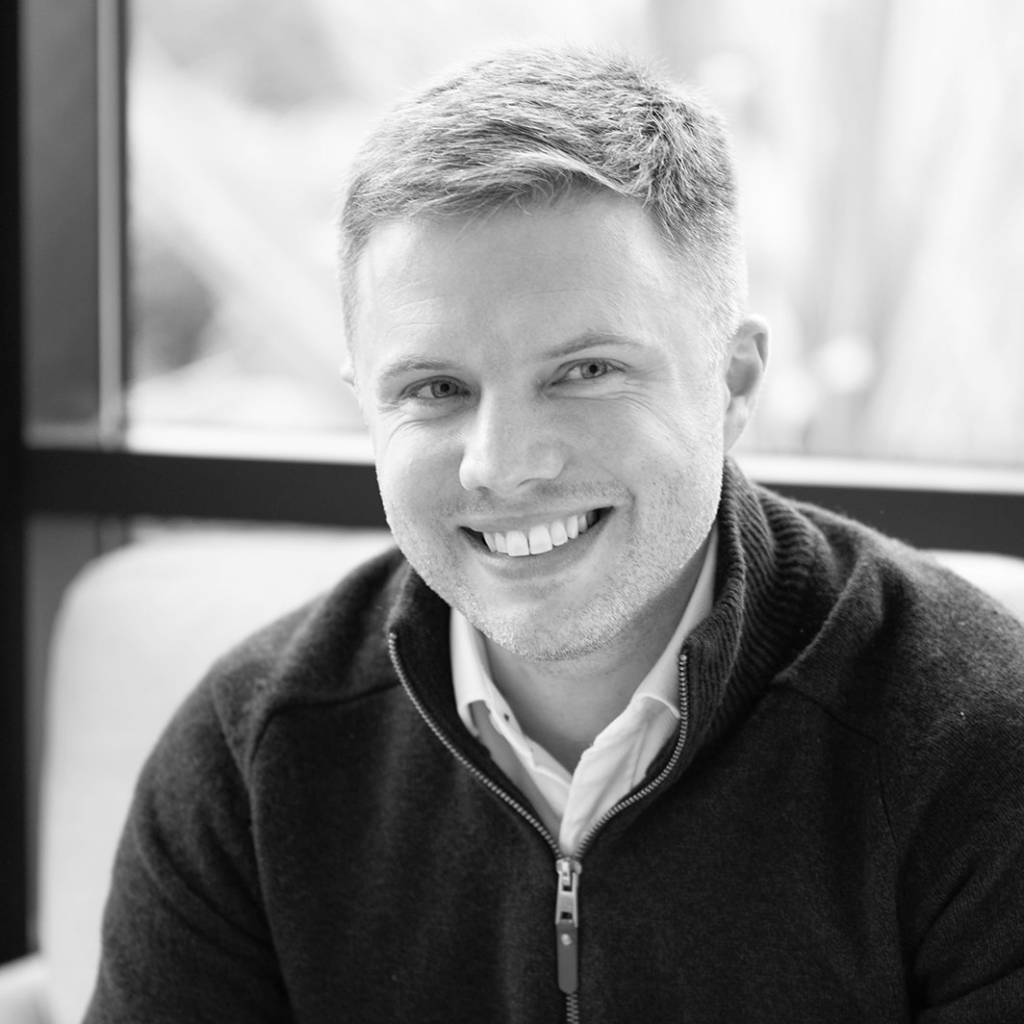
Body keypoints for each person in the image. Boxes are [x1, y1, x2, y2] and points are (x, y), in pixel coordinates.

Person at [86, 45, 1024, 1023]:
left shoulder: (970, 737)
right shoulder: (245, 763)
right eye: (434, 389)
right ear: (365, 405)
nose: (500, 461)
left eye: (583, 371)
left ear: (735, 381)